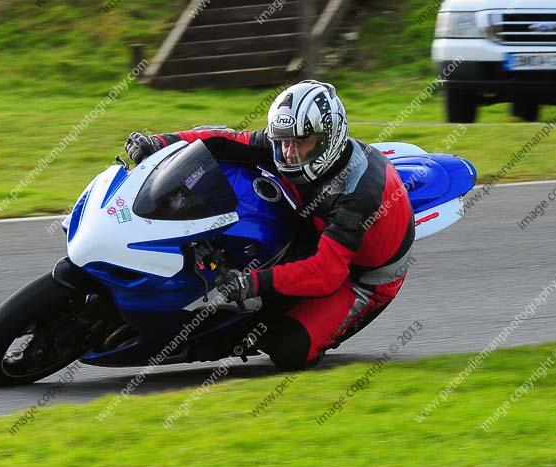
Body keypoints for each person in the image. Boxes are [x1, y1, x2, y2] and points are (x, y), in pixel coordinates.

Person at [124, 80, 414, 371]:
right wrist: (160, 143)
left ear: (329, 140)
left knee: (289, 349)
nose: (288, 153)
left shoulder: (358, 195)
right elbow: (223, 139)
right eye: (283, 141)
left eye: (300, 143)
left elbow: (328, 272)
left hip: (361, 277)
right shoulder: (286, 144)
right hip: (312, 227)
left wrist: (250, 283)